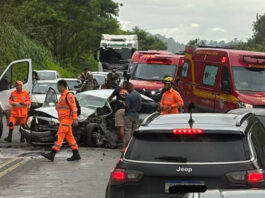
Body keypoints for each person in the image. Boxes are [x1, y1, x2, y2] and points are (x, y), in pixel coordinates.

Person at [41, 80, 81, 162]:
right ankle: (76, 154)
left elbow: (74, 108)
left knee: (60, 136)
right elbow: (63, 108)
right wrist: (57, 106)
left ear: (62, 86)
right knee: (69, 137)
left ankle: (52, 154)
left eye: (58, 86)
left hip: (66, 120)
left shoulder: (69, 95)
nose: (58, 88)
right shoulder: (62, 96)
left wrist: (75, 119)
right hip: (63, 120)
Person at [108, 81, 129, 149]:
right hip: (128, 111)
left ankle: (123, 144)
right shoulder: (129, 91)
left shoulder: (118, 90)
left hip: (119, 110)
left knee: (121, 128)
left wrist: (107, 102)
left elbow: (110, 98)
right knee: (127, 128)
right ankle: (128, 144)